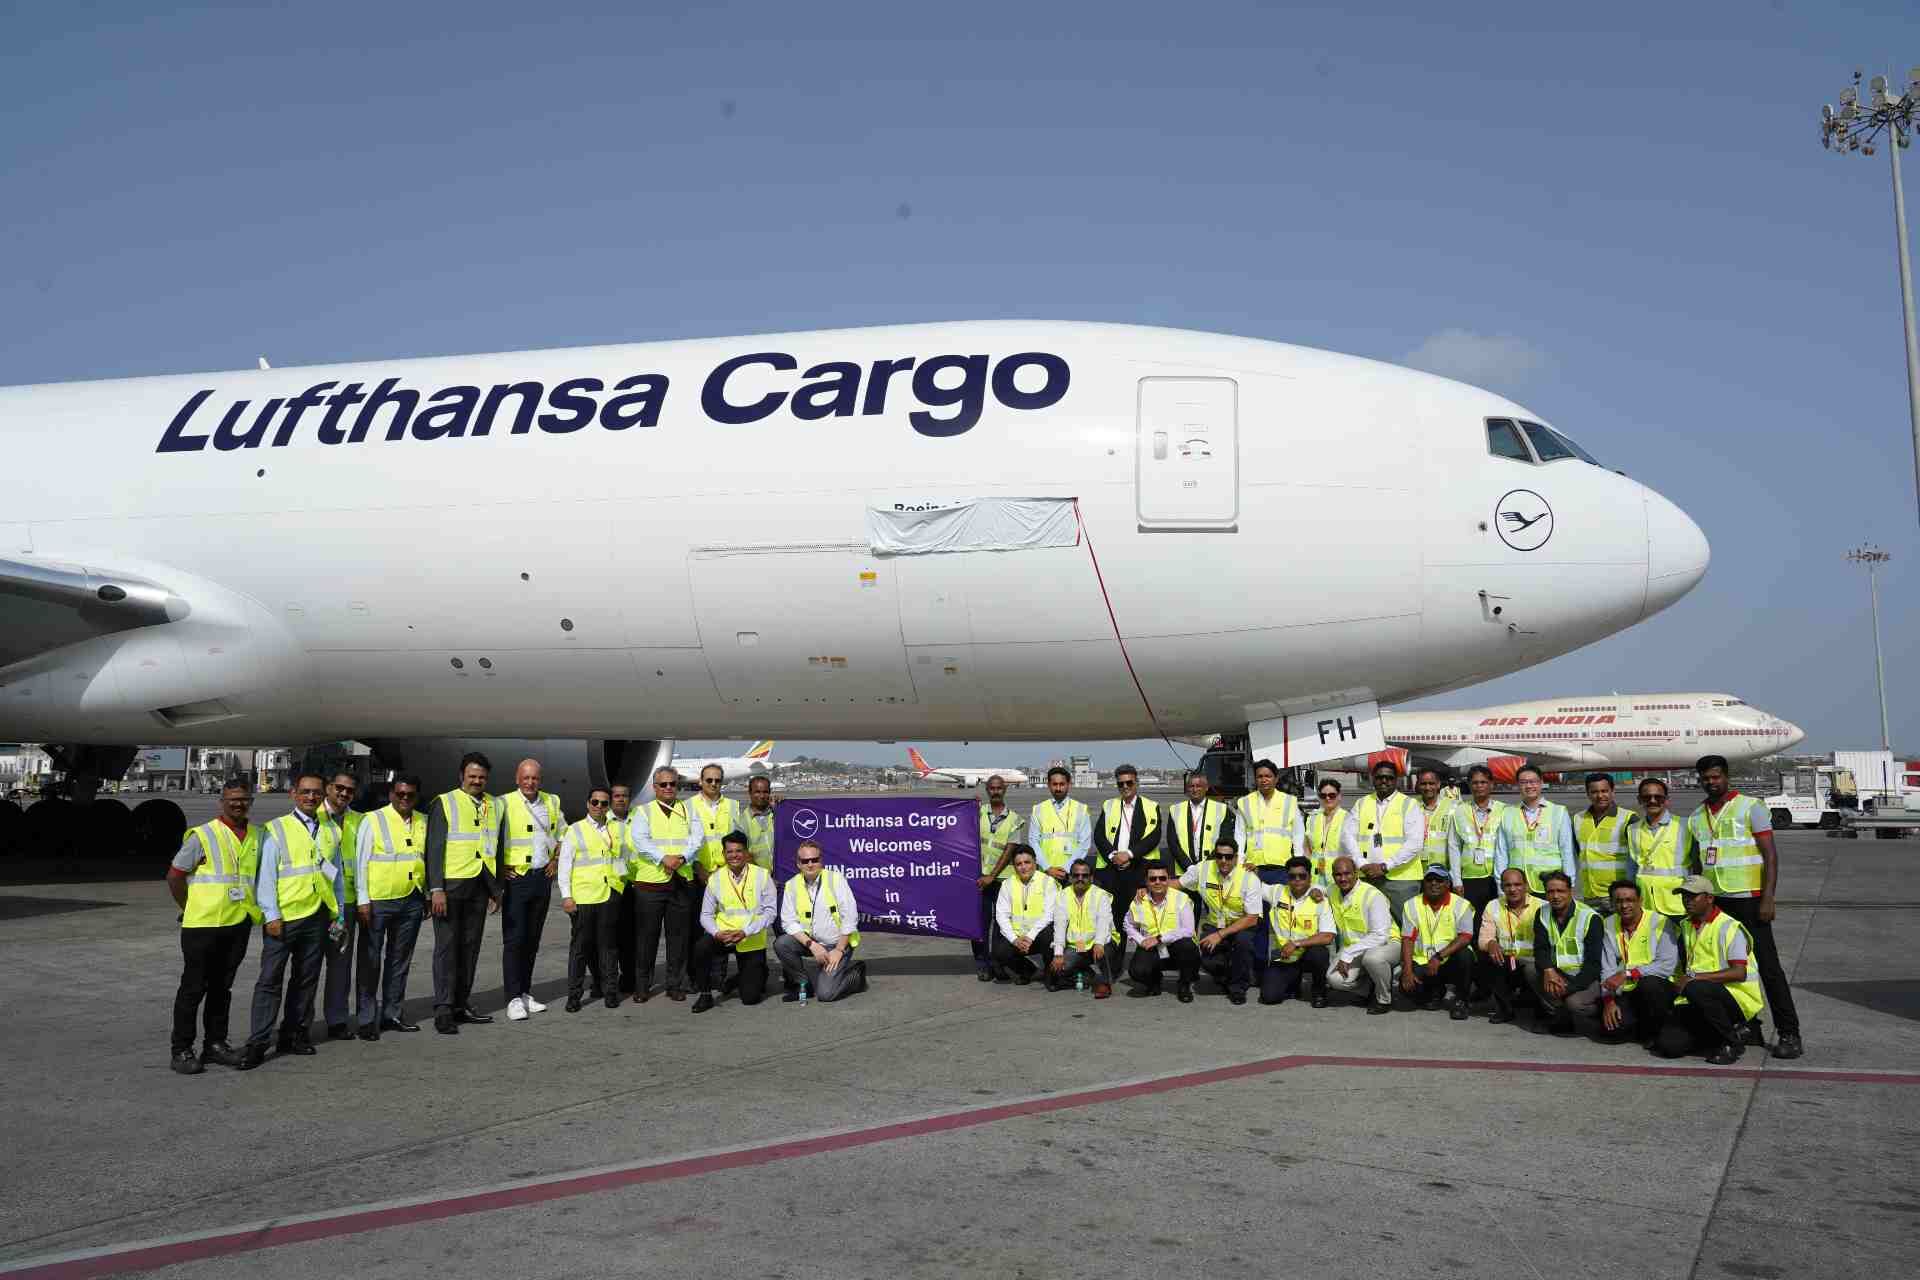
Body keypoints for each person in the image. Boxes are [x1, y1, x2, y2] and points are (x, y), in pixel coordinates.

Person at [1687, 755, 1802, 1059]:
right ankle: (1748, 1025)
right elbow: (1699, 862)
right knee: (1727, 968)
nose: (1711, 782)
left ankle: (1790, 1033)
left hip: (1750, 899)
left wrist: (1768, 897)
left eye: (1716, 777)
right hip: (1717, 902)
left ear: (1726, 777)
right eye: (1706, 778)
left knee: (1768, 967)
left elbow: (1770, 855)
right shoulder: (1697, 816)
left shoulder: (1751, 806)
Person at [239, 773, 347, 1068]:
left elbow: (334, 876)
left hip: (316, 916)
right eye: (304, 793)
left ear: (322, 794)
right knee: (270, 980)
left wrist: (339, 913)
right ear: (294, 795)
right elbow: (266, 878)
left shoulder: (330, 830)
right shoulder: (276, 829)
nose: (310, 798)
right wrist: (271, 915)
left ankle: (295, 1033)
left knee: (306, 979)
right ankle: (258, 1041)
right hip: (284, 918)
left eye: (315, 793)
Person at [165, 779, 261, 1074]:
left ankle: (215, 1045)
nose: (238, 804)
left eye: (243, 799)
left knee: (222, 988)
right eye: (232, 799)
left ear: (250, 802)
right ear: (222, 801)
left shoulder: (257, 835)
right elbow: (175, 876)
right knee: (193, 988)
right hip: (203, 925)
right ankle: (181, 1050)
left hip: (238, 922)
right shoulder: (203, 835)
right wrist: (188, 907)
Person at [426, 752, 502, 1035]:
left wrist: (496, 889)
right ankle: (443, 1008)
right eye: (472, 776)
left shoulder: (494, 804)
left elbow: (495, 845)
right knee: (446, 948)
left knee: (470, 947)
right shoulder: (444, 803)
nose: (477, 781)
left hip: (480, 886)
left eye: (481, 777)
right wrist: (436, 889)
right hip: (451, 886)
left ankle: (461, 1003)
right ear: (461, 776)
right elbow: (434, 849)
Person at [1656, 875, 1766, 1064]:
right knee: (1669, 1046)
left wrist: (1694, 978)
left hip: (1737, 999)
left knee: (1696, 987)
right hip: (1701, 996)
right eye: (1684, 896)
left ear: (1709, 898)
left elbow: (1739, 973)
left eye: (1692, 896)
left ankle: (1732, 1043)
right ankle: (1728, 1033)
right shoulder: (1686, 925)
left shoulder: (1729, 927)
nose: (1686, 901)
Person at [354, 773, 428, 1039]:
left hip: (411, 899)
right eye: (400, 794)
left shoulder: (423, 822)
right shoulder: (372, 820)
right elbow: (360, 861)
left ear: (416, 796)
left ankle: (392, 1013)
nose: (405, 799)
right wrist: (363, 899)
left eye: (410, 794)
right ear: (391, 794)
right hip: (378, 901)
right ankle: (366, 1018)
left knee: (399, 961)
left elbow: (424, 859)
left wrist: (427, 894)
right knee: (370, 961)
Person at [626, 767, 704, 1002]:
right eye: (663, 785)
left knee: (678, 939)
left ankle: (675, 984)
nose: (669, 788)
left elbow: (697, 838)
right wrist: (663, 858)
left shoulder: (688, 810)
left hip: (680, 881)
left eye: (672, 784)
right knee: (646, 939)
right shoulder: (643, 812)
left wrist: (680, 858)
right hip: (651, 884)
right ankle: (642, 986)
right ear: (655, 787)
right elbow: (640, 840)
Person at [498, 758, 563, 1023]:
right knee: (514, 940)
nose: (530, 782)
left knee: (532, 940)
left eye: (534, 778)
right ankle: (512, 997)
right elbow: (490, 838)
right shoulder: (503, 803)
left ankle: (525, 991)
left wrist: (556, 860)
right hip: (517, 880)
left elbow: (562, 834)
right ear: (517, 778)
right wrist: (499, 866)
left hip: (542, 878)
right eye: (525, 777)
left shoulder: (552, 801)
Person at [690, 832, 775, 1012]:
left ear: (746, 853)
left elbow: (770, 913)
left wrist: (746, 931)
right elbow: (705, 915)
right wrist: (716, 933)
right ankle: (705, 995)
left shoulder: (762, 876)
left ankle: (753, 974)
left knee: (750, 998)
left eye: (738, 851)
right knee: (701, 947)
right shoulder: (715, 878)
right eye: (729, 852)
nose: (734, 855)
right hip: (724, 936)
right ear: (723, 854)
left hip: (749, 938)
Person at [775, 839, 867, 1002]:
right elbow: (788, 922)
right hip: (813, 943)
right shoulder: (791, 885)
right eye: (805, 861)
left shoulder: (836, 880)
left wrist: (839, 950)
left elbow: (850, 917)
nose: (810, 864)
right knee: (782, 943)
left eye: (814, 860)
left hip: (838, 944)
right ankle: (804, 985)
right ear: (798, 863)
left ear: (821, 861)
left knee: (826, 994)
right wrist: (813, 945)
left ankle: (856, 974)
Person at [559, 786, 626, 1012]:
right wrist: (567, 896)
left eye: (604, 803)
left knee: (609, 948)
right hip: (584, 898)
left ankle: (610, 991)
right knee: (580, 949)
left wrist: (620, 886)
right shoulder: (574, 830)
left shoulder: (614, 829)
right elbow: (564, 866)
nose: (599, 807)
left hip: (609, 896)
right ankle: (574, 996)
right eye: (595, 802)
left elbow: (622, 858)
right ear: (588, 804)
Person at [1588, 879, 1678, 1044]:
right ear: (1613, 903)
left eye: (1629, 900)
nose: (1624, 906)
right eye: (1619, 901)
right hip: (1626, 990)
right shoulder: (1608, 924)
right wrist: (1609, 1001)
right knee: (1611, 1033)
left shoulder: (1660, 922)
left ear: (1640, 901)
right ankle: (1638, 1025)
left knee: (1649, 985)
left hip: (1658, 986)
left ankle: (1659, 1027)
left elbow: (1667, 966)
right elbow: (1606, 968)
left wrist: (1628, 973)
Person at [1173, 840, 1261, 1003]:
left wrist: (1220, 935)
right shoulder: (1203, 869)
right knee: (1207, 957)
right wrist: (1147, 887)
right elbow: (1177, 884)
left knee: (1243, 943)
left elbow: (1252, 918)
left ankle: (1238, 988)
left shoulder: (1249, 878)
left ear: (1235, 858)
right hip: (1215, 924)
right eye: (1219, 856)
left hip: (1241, 924)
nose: (1223, 861)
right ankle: (1229, 976)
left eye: (1228, 857)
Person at [1091, 764, 1159, 961]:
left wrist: (1129, 854)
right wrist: (1113, 855)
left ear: (1136, 783)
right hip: (1113, 870)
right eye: (1121, 784)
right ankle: (1115, 960)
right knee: (1116, 918)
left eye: (1129, 782)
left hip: (1137, 869)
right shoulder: (1109, 805)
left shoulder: (1150, 806)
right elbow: (1099, 835)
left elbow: (1153, 837)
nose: (1125, 786)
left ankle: (1146, 961)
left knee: (1143, 918)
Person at [319, 770, 364, 1040]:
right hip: (315, 904)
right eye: (339, 788)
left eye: (349, 790)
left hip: (346, 903)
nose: (343, 793)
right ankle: (298, 1024)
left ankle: (336, 1019)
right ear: (328, 787)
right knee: (308, 966)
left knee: (340, 964)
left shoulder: (360, 820)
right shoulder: (313, 816)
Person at [1531, 871, 1603, 1035]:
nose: (1555, 896)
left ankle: (1598, 1013)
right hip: (1557, 974)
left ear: (1570, 891)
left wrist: (1569, 988)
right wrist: (1548, 971)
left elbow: (1594, 964)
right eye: (1550, 892)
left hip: (1584, 977)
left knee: (1574, 1003)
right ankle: (1558, 1014)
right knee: (1530, 970)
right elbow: (1540, 948)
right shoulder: (1542, 913)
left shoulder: (1590, 917)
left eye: (1560, 891)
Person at [1325, 854, 1398, 1013]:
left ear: (1356, 873)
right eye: (1338, 875)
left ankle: (1384, 998)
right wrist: (1315, 891)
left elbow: (1380, 935)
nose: (1343, 878)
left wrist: (1348, 954)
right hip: (1356, 948)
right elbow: (1319, 889)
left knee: (1373, 959)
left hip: (1388, 943)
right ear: (1333, 876)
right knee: (1334, 980)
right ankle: (1369, 988)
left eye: (1347, 873)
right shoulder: (1332, 890)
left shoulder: (1372, 895)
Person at [1257, 856, 1335, 1007]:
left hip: (1307, 954)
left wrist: (1296, 944)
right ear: (1287, 878)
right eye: (1292, 876)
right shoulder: (1277, 892)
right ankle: (1293, 983)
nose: (1297, 880)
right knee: (1269, 997)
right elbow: (1254, 886)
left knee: (1319, 954)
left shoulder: (1319, 899)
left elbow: (1328, 936)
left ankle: (1319, 992)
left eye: (1302, 876)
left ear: (1309, 878)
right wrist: (1248, 869)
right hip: (1284, 957)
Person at [1398, 865, 1472, 1019]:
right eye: (1429, 879)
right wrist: (1407, 971)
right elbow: (1407, 939)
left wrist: (1438, 957)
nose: (1434, 883)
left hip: (1448, 960)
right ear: (1423, 883)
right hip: (1423, 961)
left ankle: (1461, 1001)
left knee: (1466, 956)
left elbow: (1465, 936)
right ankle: (1435, 993)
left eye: (1439, 880)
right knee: (1406, 990)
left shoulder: (1462, 904)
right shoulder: (1411, 904)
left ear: (1448, 884)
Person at [1355, 760, 1426, 915]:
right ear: (1373, 778)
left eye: (1389, 777)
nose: (1384, 781)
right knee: (1370, 924)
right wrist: (1362, 864)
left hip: (1402, 880)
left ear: (1396, 780)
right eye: (1380, 777)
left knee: (1405, 926)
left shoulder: (1409, 804)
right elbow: (1347, 837)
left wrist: (1385, 866)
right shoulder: (1361, 803)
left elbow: (1415, 843)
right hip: (1367, 876)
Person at [1477, 868, 1545, 1026]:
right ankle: (1504, 1009)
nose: (1513, 889)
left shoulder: (1542, 907)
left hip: (1534, 962)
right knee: (1486, 958)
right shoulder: (1493, 906)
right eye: (1507, 885)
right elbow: (1483, 939)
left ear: (1526, 886)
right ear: (1501, 887)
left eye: (1517, 884)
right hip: (1508, 961)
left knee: (1534, 970)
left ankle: (1542, 1006)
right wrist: (1491, 943)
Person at [973, 776, 1026, 980]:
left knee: (1001, 923)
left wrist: (992, 876)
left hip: (1001, 879)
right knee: (979, 923)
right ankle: (982, 963)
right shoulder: (978, 812)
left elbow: (1009, 850)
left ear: (1005, 790)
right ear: (987, 790)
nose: (996, 791)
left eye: (999, 788)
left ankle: (997, 962)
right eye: (992, 788)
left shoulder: (1014, 819)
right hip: (978, 877)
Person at [1623, 777, 1695, 924]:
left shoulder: (1685, 826)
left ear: (1667, 800)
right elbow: (1632, 869)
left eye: (1658, 797)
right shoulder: (1633, 829)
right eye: (1647, 797)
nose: (1653, 801)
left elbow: (1698, 866)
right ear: (1639, 800)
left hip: (1677, 905)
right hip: (1645, 905)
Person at [1124, 863, 1200, 1001]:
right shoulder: (1139, 900)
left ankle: (1184, 985)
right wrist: (1141, 940)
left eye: (1162, 878)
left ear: (1168, 879)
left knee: (1188, 947)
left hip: (1175, 946)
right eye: (1153, 879)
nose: (1158, 882)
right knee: (1137, 971)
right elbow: (1128, 924)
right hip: (1151, 948)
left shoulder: (1181, 898)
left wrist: (1160, 939)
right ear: (1146, 881)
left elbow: (1188, 930)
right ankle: (1154, 981)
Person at [1495, 765, 1575, 894]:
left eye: (1533, 781)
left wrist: (1570, 883)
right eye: (1523, 782)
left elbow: (1567, 851)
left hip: (1550, 885)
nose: (1529, 786)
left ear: (1541, 783)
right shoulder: (1508, 813)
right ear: (1518, 785)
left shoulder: (1558, 812)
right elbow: (1501, 852)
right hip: (1518, 886)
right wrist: (1500, 886)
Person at [1445, 764, 1506, 928]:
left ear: (1491, 784)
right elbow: (1453, 847)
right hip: (1470, 879)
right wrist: (1456, 880)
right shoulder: (1460, 811)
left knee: (1498, 923)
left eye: (1483, 782)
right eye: (1475, 782)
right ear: (1470, 785)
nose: (1479, 786)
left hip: (1497, 877)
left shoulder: (1504, 810)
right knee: (1473, 923)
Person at [992, 845, 1061, 986]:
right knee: (1000, 952)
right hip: (1019, 937)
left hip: (1038, 936)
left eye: (1027, 862)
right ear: (1014, 866)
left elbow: (1049, 914)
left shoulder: (1048, 882)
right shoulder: (1007, 884)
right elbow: (1001, 915)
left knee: (1050, 934)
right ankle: (1028, 971)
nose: (1023, 867)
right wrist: (1014, 940)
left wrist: (1030, 936)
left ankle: (1050, 971)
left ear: (1035, 862)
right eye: (1019, 864)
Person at [1050, 859, 1115, 997]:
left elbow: (1104, 921)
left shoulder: (1101, 895)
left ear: (1091, 878)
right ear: (1070, 877)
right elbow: (1059, 926)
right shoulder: (1062, 895)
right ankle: (1086, 974)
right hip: (1077, 945)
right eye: (1076, 875)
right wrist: (1058, 954)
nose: (1080, 879)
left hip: (1100, 943)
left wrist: (1099, 943)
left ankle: (1104, 983)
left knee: (1104, 951)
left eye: (1085, 875)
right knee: (1055, 973)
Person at [1575, 773, 1635, 914]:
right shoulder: (1578, 818)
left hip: (1616, 895)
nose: (1600, 796)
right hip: (1590, 894)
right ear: (1588, 794)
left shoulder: (1628, 818)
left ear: (1613, 792)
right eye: (1594, 792)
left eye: (1604, 791)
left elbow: (1636, 859)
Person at [1165, 770, 1234, 882]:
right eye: (1191, 786)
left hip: (1212, 870)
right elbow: (1173, 842)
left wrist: (1204, 868)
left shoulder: (1221, 809)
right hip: (1184, 872)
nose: (1195, 789)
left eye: (1199, 786)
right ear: (1187, 788)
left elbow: (1225, 840)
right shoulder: (1175, 809)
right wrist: (1189, 867)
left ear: (1206, 788)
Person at [1029, 767, 1091, 884]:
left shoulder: (1081, 809)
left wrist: (1067, 868)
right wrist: (1048, 868)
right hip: (1045, 873)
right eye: (1054, 784)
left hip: (1071, 874)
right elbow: (1033, 841)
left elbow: (1084, 844)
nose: (1058, 788)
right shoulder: (1038, 809)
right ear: (1049, 785)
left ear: (1068, 784)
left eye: (1062, 784)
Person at [608, 782, 639, 1000]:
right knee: (609, 937)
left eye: (625, 795)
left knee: (631, 936)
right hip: (610, 886)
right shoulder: (602, 820)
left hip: (634, 884)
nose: (621, 799)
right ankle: (605, 979)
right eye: (617, 796)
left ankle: (629, 978)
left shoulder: (639, 818)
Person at [688, 764, 745, 879]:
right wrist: (698, 869)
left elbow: (740, 840)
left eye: (717, 781)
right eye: (709, 780)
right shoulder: (687, 805)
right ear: (700, 781)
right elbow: (684, 842)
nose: (713, 784)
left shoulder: (733, 805)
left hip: (727, 872)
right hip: (696, 873)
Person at [1304, 779, 1358, 889]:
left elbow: (1353, 851)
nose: (1327, 798)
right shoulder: (1312, 818)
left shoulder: (1349, 819)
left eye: (1332, 795)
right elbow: (1307, 849)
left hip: (1339, 877)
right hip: (1315, 876)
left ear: (1339, 796)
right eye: (1323, 795)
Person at [1414, 768, 1458, 887]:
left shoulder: (1453, 807)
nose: (1427, 787)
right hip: (1416, 871)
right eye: (1423, 784)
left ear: (1438, 785)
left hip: (1443, 872)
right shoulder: (1412, 807)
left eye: (1431, 783)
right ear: (1418, 785)